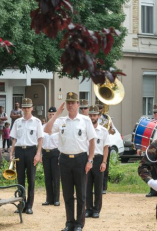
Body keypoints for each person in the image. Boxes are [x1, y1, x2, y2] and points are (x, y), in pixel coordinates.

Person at [44, 92, 96, 231]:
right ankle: (69, 222)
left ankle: (79, 224)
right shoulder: (61, 121)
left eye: (73, 102)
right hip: (65, 160)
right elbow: (47, 129)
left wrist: (90, 160)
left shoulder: (85, 120)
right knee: (67, 194)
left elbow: (92, 141)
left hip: (80, 159)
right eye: (68, 103)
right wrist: (56, 114)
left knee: (81, 194)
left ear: (78, 104)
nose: (70, 105)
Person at [9, 98, 43, 215]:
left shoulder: (37, 122)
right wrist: (11, 152)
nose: (26, 109)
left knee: (31, 180)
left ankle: (29, 205)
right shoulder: (18, 122)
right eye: (24, 107)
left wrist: (38, 154)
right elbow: (14, 139)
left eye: (28, 107)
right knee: (20, 180)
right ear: (22, 109)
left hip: (31, 151)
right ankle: (21, 204)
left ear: (32, 108)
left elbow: (40, 139)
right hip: (19, 151)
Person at [85, 105, 110, 219]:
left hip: (98, 159)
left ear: (99, 116)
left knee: (98, 186)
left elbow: (106, 148)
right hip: (86, 159)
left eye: (94, 115)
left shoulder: (103, 131)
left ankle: (96, 210)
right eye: (90, 115)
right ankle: (88, 209)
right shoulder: (84, 130)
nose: (92, 117)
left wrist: (104, 162)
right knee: (87, 186)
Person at [143, 103, 157, 198]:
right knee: (152, 170)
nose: (156, 114)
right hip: (152, 151)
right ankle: (152, 190)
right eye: (154, 112)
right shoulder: (150, 124)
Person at [41, 106, 61, 207]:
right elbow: (40, 141)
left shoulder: (59, 127)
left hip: (55, 153)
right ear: (48, 115)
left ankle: (56, 199)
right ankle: (49, 198)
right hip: (46, 153)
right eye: (50, 114)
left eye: (53, 114)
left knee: (56, 177)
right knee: (47, 177)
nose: (52, 116)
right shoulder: (44, 126)